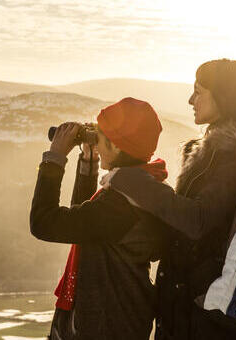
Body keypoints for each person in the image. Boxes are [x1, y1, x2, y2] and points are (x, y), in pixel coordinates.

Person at [102, 59, 236, 340]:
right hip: (197, 305)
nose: (191, 99)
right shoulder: (218, 152)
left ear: (223, 97)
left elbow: (197, 221)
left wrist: (130, 179)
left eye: (198, 91)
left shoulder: (234, 155)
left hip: (203, 314)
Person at [30, 97, 170, 340]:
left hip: (102, 326)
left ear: (116, 146)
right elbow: (85, 225)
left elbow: (44, 223)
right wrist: (89, 161)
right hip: (118, 319)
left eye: (100, 137)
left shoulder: (120, 206)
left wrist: (54, 158)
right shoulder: (141, 190)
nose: (95, 141)